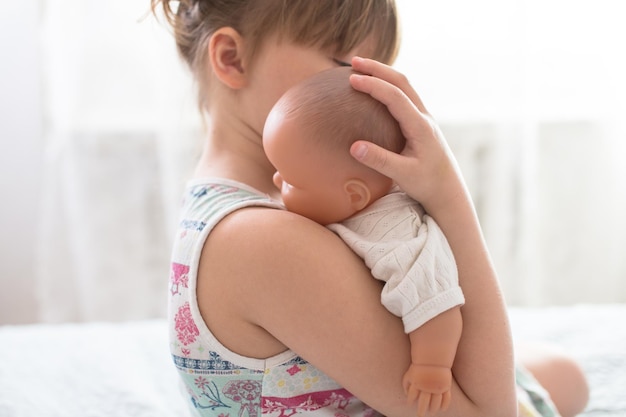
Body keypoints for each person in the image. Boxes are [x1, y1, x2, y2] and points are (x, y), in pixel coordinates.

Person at [151, 1, 589, 417]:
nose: (371, 94)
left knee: (564, 372)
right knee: (548, 382)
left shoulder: (240, 202)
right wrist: (447, 191)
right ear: (232, 59)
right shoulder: (262, 241)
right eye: (346, 64)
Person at [263, 66, 465, 416]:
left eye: (292, 181)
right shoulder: (354, 205)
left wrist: (432, 368)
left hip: (444, 361)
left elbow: (438, 302)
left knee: (560, 380)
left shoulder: (393, 234)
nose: (276, 179)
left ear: (354, 195)